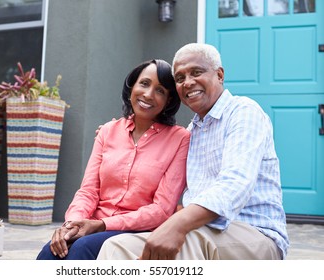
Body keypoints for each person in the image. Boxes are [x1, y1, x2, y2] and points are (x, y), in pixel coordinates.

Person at [97, 43, 290, 260]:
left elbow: (234, 183)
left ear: (219, 75)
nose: (188, 82)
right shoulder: (192, 131)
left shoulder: (243, 112)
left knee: (177, 246)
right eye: (180, 78)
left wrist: (177, 225)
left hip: (254, 232)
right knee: (116, 247)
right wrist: (119, 136)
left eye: (196, 72)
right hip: (202, 229)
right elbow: (153, 163)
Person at [36, 59, 190, 260]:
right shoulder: (108, 131)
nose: (148, 94)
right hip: (94, 222)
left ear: (169, 100)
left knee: (83, 248)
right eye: (144, 83)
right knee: (52, 250)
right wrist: (72, 224)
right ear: (132, 85)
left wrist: (103, 225)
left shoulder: (180, 139)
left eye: (160, 90)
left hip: (138, 229)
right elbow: (89, 190)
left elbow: (161, 209)